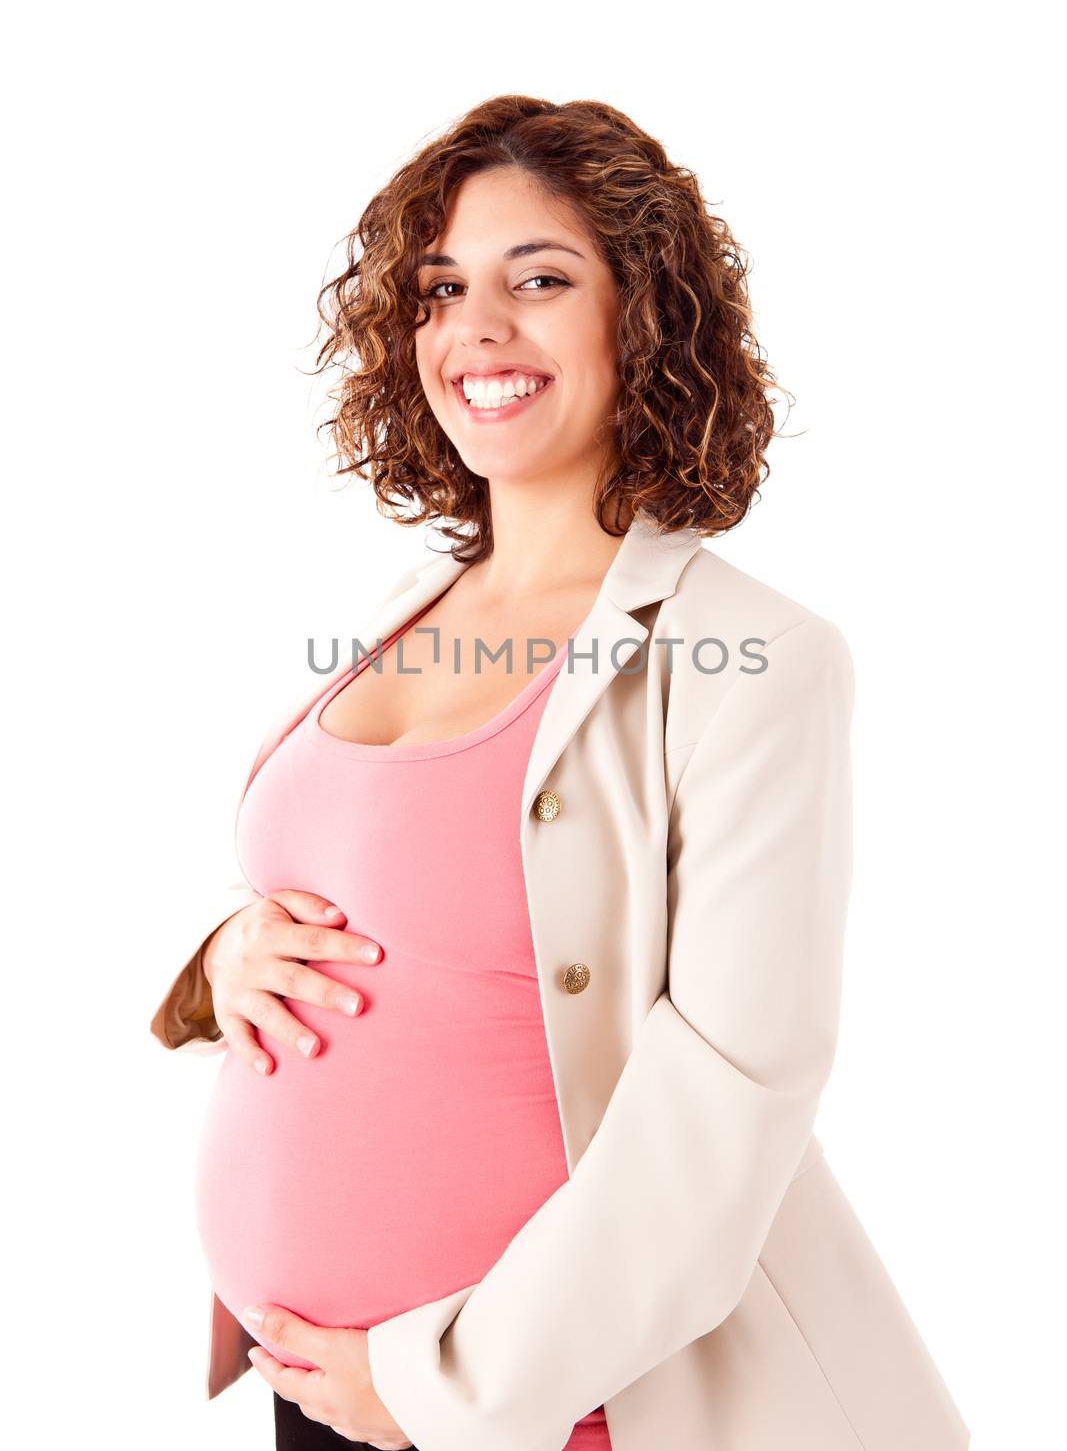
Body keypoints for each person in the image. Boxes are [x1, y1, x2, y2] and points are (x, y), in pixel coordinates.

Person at [150, 94, 970, 1451]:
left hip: (551, 1412)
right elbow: (376, 905)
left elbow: (732, 1092)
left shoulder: (753, 657)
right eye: (442, 287)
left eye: (540, 279)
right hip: (320, 1391)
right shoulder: (406, 609)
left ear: (642, 317)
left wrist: (435, 1388)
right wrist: (224, 953)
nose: (480, 326)